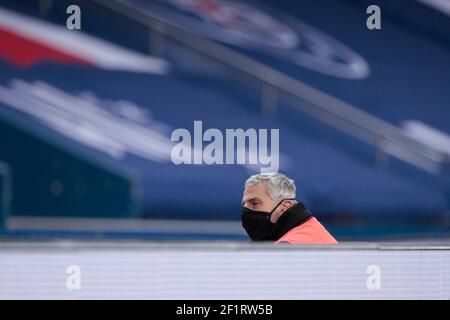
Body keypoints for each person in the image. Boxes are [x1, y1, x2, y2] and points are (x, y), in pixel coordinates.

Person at [241, 172, 337, 244]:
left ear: (284, 207)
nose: (246, 211)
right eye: (244, 205)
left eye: (254, 203)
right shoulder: (307, 229)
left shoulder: (288, 248)